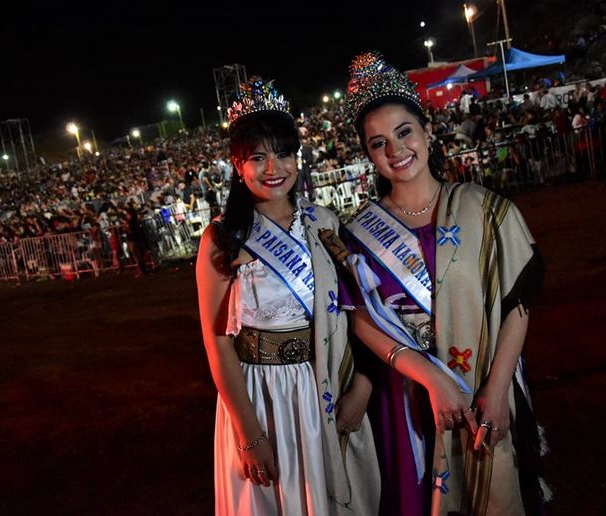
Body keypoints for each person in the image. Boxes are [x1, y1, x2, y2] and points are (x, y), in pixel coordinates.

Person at [321, 52, 548, 515]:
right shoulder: (359, 231)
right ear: (367, 154)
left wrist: (499, 387)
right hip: (409, 402)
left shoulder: (485, 208)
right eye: (378, 143)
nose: (396, 151)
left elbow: (517, 301)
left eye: (404, 133)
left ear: (426, 131)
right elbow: (362, 319)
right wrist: (428, 377)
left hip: (487, 386)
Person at [196, 77, 380, 515]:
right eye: (257, 157)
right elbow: (217, 341)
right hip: (262, 395)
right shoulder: (222, 238)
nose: (272, 167)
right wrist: (249, 433)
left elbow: (357, 314)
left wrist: (362, 386)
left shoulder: (325, 222)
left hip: (323, 385)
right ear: (237, 165)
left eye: (283, 153)